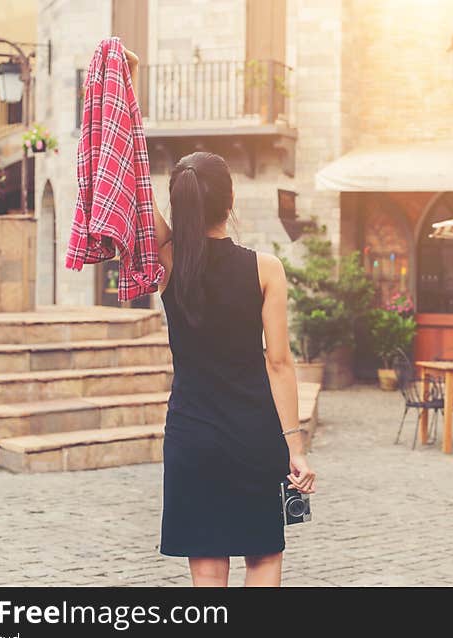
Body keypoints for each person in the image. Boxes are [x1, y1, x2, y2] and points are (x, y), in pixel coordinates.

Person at [125, 48, 316, 587]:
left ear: (179, 204)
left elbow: (133, 177)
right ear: (230, 201)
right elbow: (279, 364)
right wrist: (295, 448)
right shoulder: (265, 268)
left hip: (191, 433)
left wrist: (125, 85)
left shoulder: (167, 261)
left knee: (207, 566)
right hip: (254, 434)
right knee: (263, 556)